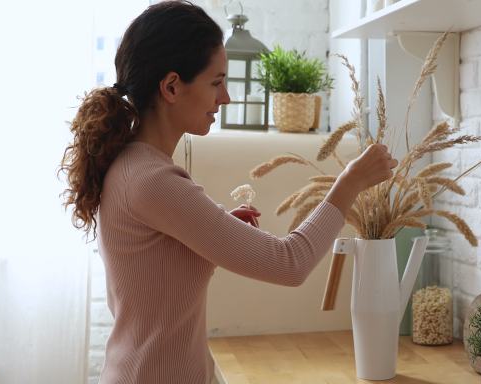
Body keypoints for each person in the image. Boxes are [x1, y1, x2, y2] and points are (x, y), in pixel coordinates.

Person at [60, 1, 398, 383]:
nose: (227, 98)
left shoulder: (134, 168)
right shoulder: (152, 180)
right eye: (216, 82)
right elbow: (291, 263)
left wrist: (215, 231)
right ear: (172, 86)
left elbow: (153, 275)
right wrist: (350, 182)